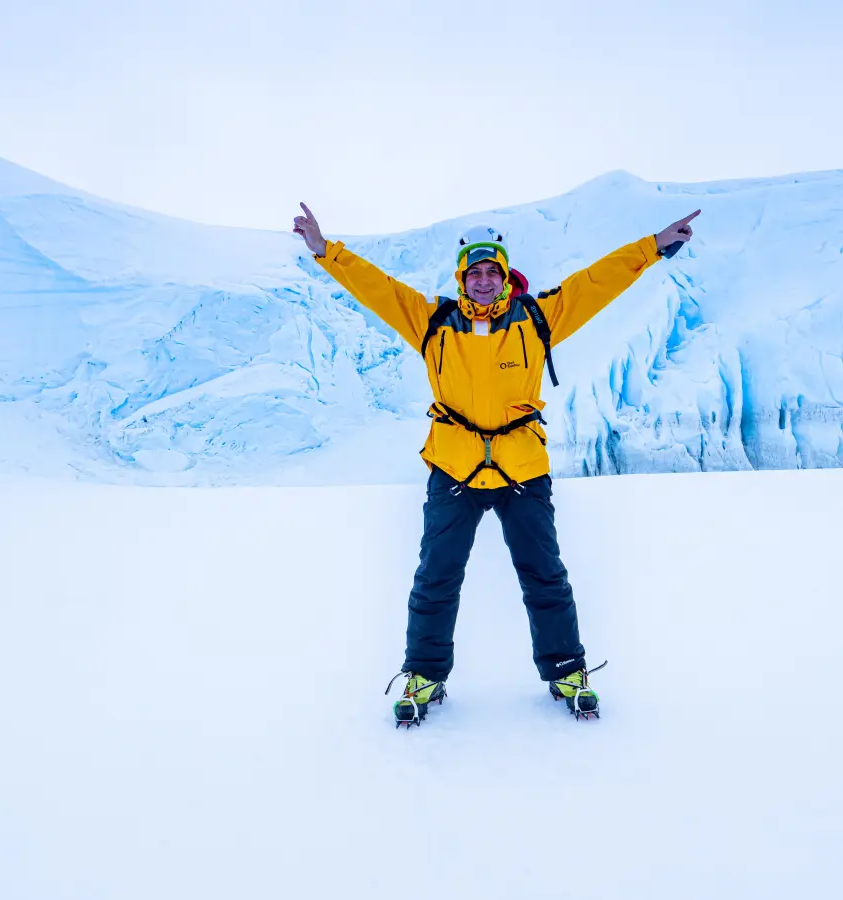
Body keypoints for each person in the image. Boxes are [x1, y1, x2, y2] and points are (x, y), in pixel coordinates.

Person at [293, 203, 700, 725]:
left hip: (521, 470)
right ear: (461, 276)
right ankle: (424, 675)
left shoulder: (537, 317)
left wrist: (654, 245)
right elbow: (378, 289)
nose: (484, 281)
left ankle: (566, 671)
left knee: (545, 576)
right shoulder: (432, 320)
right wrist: (328, 252)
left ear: (505, 274)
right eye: (474, 272)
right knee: (436, 577)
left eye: (493, 271)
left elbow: (597, 282)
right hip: (454, 469)